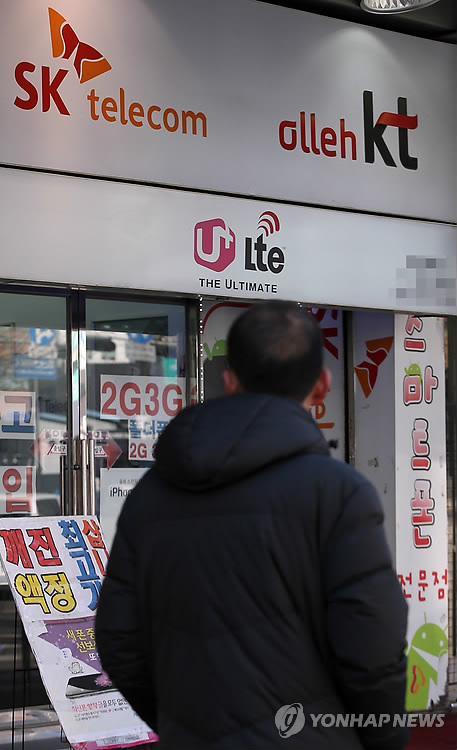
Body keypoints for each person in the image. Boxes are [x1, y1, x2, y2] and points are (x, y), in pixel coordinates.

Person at [96, 300, 408, 750]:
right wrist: (384, 739)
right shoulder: (339, 494)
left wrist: (183, 722)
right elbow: (371, 645)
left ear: (230, 380)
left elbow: (119, 639)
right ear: (322, 385)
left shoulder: (151, 494)